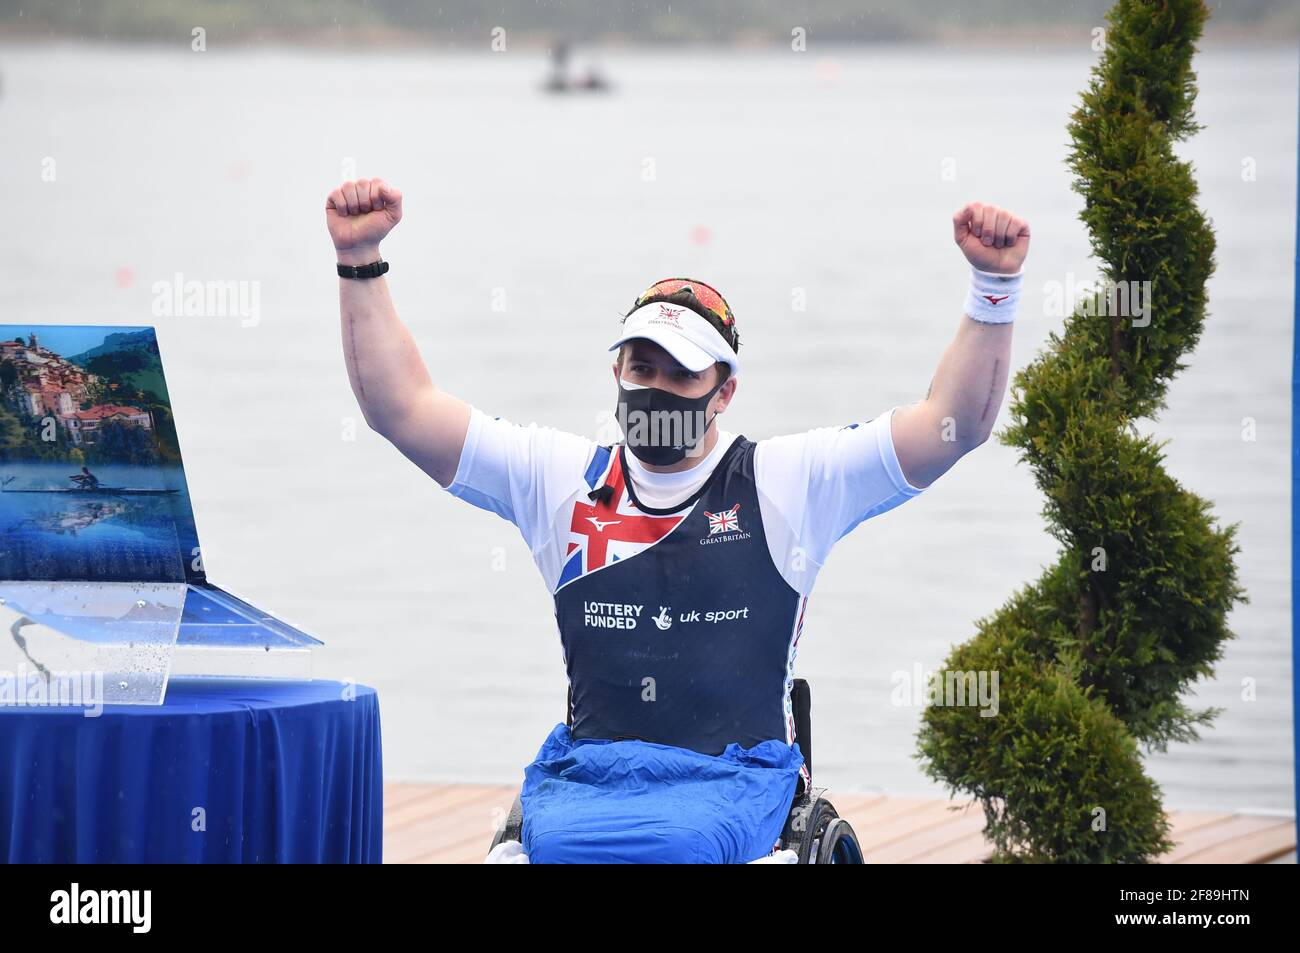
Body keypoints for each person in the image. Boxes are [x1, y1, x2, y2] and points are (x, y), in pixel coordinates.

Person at [328, 177, 1030, 863]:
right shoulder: (562, 481)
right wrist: (361, 263)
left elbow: (953, 425)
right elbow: (403, 409)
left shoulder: (787, 482)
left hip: (736, 780)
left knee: (677, 844)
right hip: (593, 777)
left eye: (681, 373)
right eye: (642, 365)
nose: (656, 386)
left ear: (724, 391)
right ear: (617, 375)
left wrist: (991, 290)